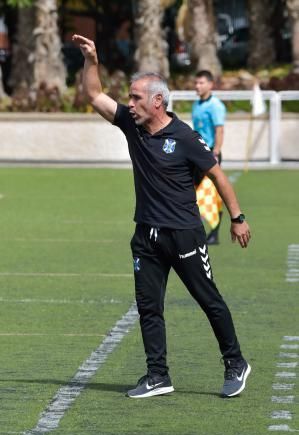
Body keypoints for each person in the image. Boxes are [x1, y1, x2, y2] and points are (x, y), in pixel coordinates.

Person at [72, 34, 252, 399]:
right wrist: (92, 58)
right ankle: (158, 376)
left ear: (158, 101)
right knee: (149, 307)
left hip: (184, 234)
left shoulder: (184, 137)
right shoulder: (131, 126)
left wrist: (237, 217)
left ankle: (236, 362)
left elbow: (216, 174)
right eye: (130, 97)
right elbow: (94, 95)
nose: (130, 103)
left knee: (208, 300)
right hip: (146, 237)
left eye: (136, 97)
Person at [192, 70, 226, 245]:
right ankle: (194, 229)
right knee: (193, 191)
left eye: (201, 83)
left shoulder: (216, 105)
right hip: (195, 153)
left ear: (210, 84)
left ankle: (214, 233)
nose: (197, 86)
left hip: (210, 153)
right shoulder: (196, 105)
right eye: (196, 83)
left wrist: (216, 152)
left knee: (212, 193)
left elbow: (219, 130)